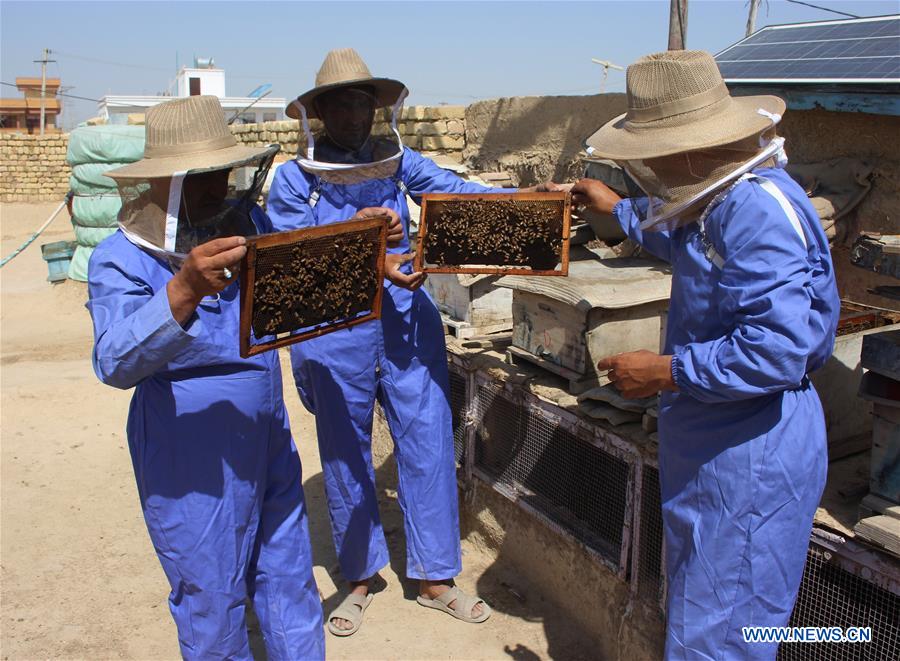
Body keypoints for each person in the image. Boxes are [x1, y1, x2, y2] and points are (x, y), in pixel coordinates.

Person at [267, 48, 553, 636]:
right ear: (318, 112)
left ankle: (434, 578)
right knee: (346, 453)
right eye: (341, 104)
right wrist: (374, 251)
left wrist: (530, 205)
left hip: (405, 326)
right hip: (334, 334)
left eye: (364, 104)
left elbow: (457, 193)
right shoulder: (293, 182)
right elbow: (295, 259)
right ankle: (359, 578)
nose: (355, 115)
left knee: (425, 443)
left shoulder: (398, 163)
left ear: (378, 111)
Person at [568, 51, 840, 660]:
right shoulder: (716, 201)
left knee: (724, 636)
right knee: (706, 610)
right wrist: (616, 207)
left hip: (751, 451)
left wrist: (666, 371)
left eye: (658, 154)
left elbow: (775, 352)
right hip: (714, 445)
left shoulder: (757, 212)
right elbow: (679, 229)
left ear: (688, 149)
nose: (655, 169)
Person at [87, 95, 326, 660]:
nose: (217, 188)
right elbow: (114, 361)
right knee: (212, 594)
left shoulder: (248, 222)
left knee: (287, 572)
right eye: (200, 177)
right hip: (188, 445)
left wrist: (369, 254)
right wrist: (184, 290)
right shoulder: (118, 259)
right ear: (165, 183)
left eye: (221, 173)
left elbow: (298, 285)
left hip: (266, 427)